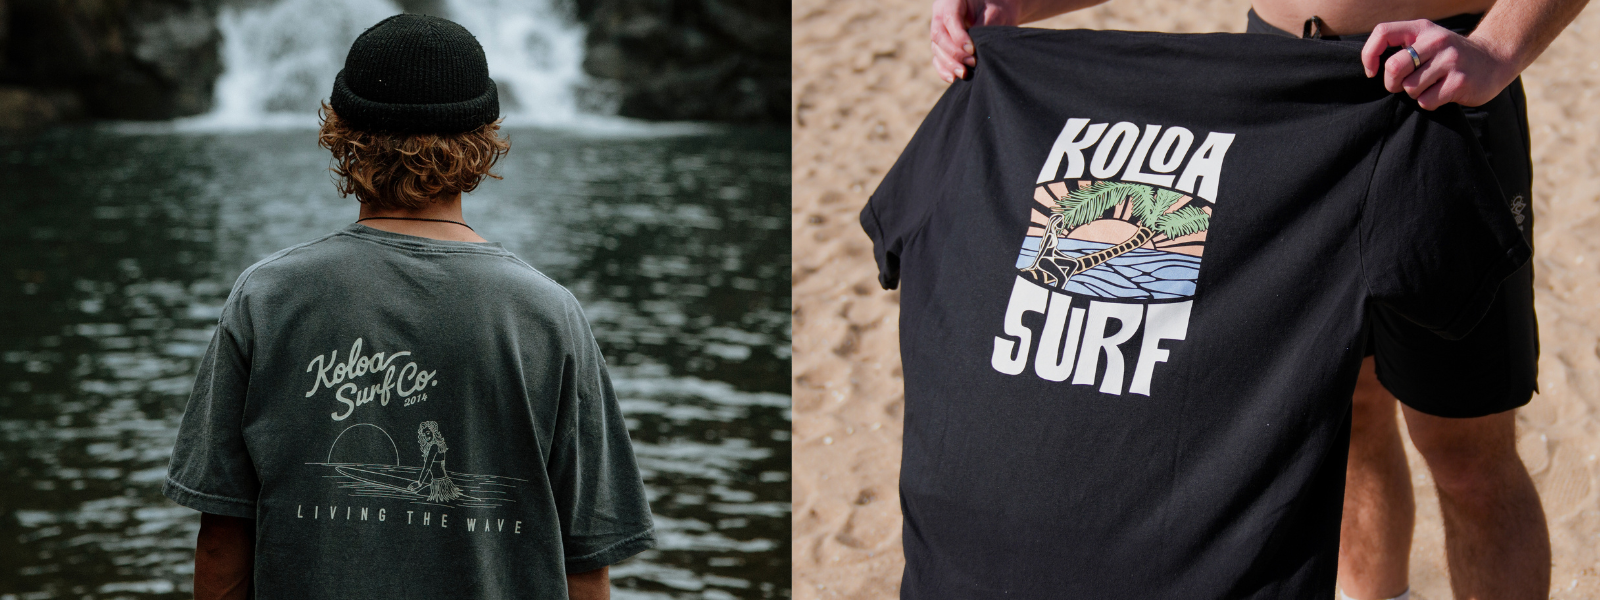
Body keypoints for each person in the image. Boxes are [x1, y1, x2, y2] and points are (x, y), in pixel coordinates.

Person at [928, 0, 1586, 598]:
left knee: (1467, 453)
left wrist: (1500, 46)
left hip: (1437, 76)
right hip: (1280, 88)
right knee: (1341, 413)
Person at [163, 14, 654, 600]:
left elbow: (222, 536)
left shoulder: (266, 297)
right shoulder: (549, 314)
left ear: (340, 132)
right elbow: (588, 563)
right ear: (484, 138)